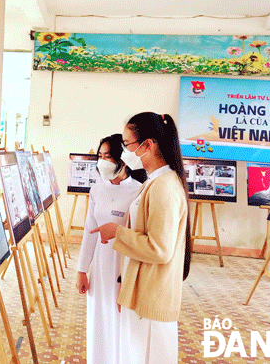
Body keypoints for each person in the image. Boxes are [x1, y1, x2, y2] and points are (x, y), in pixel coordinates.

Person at [91, 112, 192, 364]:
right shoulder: (154, 182)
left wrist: (117, 233)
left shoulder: (165, 187)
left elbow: (160, 249)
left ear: (149, 144)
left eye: (128, 145)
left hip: (151, 296)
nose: (125, 153)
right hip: (143, 292)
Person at [76, 134, 145, 364]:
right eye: (100, 156)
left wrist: (127, 279)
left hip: (123, 269)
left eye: (108, 156)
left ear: (122, 160)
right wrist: (82, 270)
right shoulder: (97, 190)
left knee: (121, 324)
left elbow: (139, 235)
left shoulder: (138, 191)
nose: (102, 161)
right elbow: (89, 231)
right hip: (100, 268)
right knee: (99, 322)